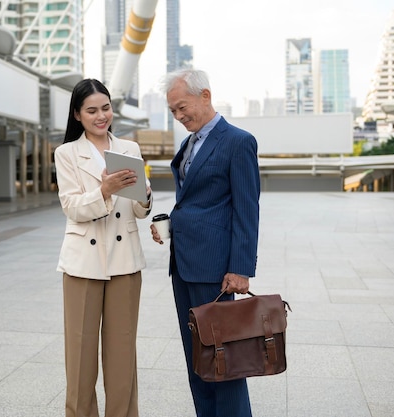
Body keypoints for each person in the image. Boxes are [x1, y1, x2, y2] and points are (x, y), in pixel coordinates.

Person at [150, 68, 260, 417]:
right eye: (173, 112)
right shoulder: (188, 144)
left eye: (183, 108)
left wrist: (240, 269)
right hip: (183, 266)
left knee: (223, 362)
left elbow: (246, 208)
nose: (180, 117)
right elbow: (194, 201)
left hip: (215, 270)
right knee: (197, 360)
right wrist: (171, 223)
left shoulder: (238, 141)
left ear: (205, 96)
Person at [54, 78, 153, 417]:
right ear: (78, 115)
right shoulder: (66, 153)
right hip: (83, 264)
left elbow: (140, 210)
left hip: (125, 261)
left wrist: (145, 194)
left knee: (123, 353)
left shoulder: (129, 149)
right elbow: (73, 208)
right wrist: (106, 190)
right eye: (92, 110)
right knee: (80, 355)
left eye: (106, 108)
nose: (101, 116)